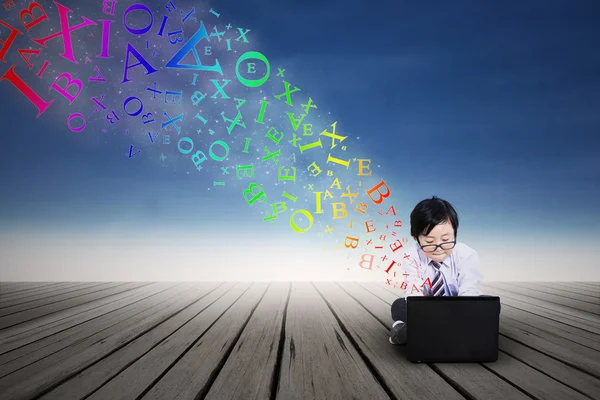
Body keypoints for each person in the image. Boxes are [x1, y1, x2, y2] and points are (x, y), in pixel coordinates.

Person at [389, 196, 483, 345]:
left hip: (457, 307)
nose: (438, 248)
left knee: (485, 307)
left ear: (455, 233)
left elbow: (469, 291)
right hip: (425, 309)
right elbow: (413, 290)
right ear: (416, 238)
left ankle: (415, 330)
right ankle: (430, 329)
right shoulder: (411, 255)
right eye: (430, 242)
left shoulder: (467, 255)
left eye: (446, 240)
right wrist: (425, 314)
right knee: (399, 305)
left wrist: (463, 312)